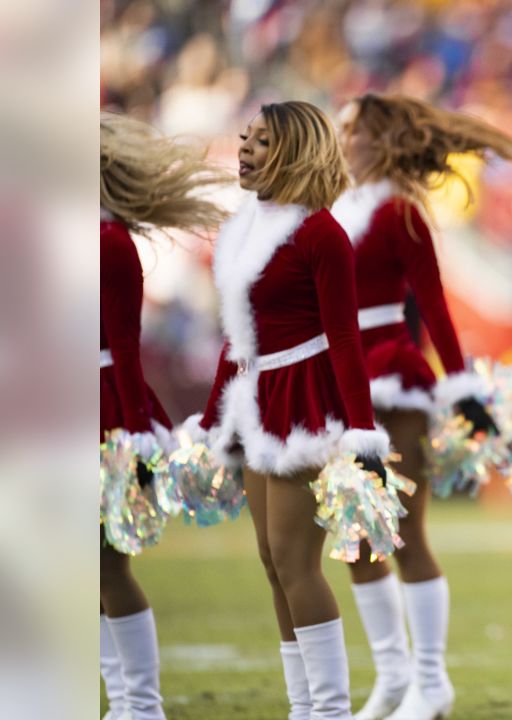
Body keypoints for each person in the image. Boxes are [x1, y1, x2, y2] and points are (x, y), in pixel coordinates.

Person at [330, 92, 512, 720]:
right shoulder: (335, 206)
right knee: (358, 538)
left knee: (406, 533)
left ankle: (430, 681)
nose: (339, 141)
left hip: (393, 377)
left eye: (350, 130)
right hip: (343, 381)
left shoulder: (401, 213)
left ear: (380, 139)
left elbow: (436, 306)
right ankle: (392, 680)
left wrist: (463, 386)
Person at [185, 101, 390, 720]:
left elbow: (347, 337)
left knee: (296, 560)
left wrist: (362, 431)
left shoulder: (320, 232)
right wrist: (211, 416)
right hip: (254, 399)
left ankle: (329, 711)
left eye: (262, 141)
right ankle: (303, 707)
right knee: (273, 563)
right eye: (244, 138)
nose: (245, 149)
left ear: (295, 150)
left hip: (305, 401)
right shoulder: (243, 223)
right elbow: (236, 333)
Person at [99, 111, 228, 720]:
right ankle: (118, 703)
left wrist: (131, 439)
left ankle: (140, 706)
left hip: (101, 410)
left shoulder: (109, 242)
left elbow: (124, 346)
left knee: (105, 566)